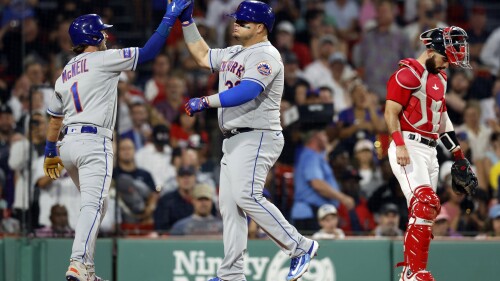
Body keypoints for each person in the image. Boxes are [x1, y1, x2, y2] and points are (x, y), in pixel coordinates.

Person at [42, 1, 191, 280]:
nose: (107, 36)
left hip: (68, 145)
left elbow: (54, 118)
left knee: (101, 204)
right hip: (93, 142)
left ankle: (87, 268)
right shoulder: (103, 58)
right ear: (94, 37)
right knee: (94, 204)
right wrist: (169, 18)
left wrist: (50, 151)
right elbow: (148, 52)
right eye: (103, 32)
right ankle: (77, 263)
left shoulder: (64, 72)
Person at [180, 2, 319, 281]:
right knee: (229, 207)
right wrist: (186, 21)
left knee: (247, 195)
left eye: (243, 21)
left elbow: (248, 90)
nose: (236, 24)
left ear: (260, 27)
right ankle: (232, 274)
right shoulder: (235, 52)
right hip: (234, 139)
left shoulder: (266, 54)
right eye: (236, 19)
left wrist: (207, 101)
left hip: (258, 135)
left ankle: (300, 246)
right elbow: (202, 55)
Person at [384, 26, 478, 281]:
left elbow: (442, 118)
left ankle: (411, 273)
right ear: (430, 50)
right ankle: (414, 272)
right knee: (424, 202)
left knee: (426, 211)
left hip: (430, 149)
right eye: (445, 58)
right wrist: (399, 142)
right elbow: (390, 112)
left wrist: (458, 154)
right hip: (408, 145)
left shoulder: (441, 78)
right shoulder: (408, 74)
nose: (448, 64)